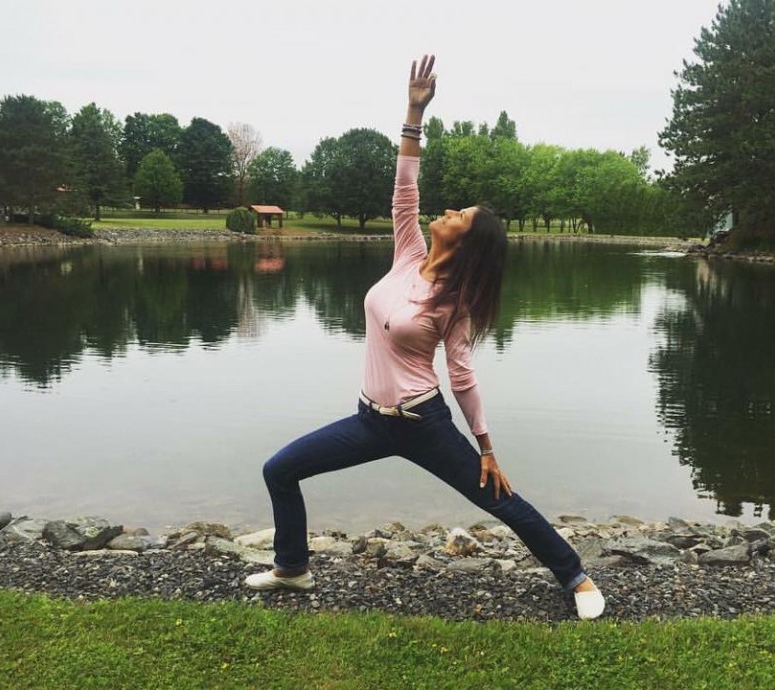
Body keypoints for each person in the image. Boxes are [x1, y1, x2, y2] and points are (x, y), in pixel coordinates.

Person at [244, 55, 605, 620]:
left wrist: (487, 448)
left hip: (423, 423)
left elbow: (462, 375)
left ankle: (576, 577)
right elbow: (405, 188)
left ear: (465, 243)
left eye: (459, 215)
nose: (449, 210)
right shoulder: (408, 252)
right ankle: (292, 568)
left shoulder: (455, 302)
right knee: (280, 469)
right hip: (369, 420)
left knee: (498, 498)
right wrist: (414, 112)